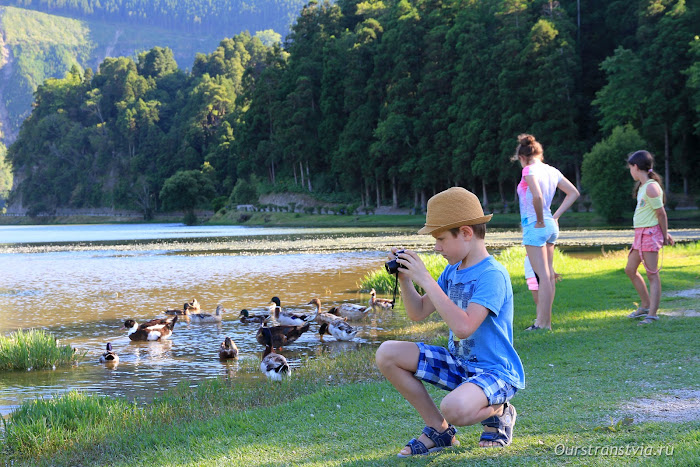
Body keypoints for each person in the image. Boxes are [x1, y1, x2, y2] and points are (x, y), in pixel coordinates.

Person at [375, 187, 525, 456]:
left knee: (454, 408)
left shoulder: (492, 275)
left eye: (441, 239)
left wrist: (427, 279)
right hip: (459, 364)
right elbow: (417, 312)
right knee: (387, 353)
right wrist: (407, 279)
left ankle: (501, 410)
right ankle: (439, 431)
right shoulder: (452, 271)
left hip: (495, 373)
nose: (437, 247)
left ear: (466, 233)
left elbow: (464, 327)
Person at [513, 134, 579, 330]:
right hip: (551, 225)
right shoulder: (552, 171)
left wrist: (541, 219)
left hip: (536, 225)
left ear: (522, 157)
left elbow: (537, 196)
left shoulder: (528, 170)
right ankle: (545, 322)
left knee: (542, 276)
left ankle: (542, 324)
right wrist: (554, 216)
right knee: (548, 276)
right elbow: (573, 193)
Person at [624, 150, 674, 325]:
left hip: (649, 234)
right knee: (630, 269)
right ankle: (645, 306)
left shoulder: (651, 187)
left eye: (630, 167)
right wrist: (665, 232)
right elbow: (654, 214)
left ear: (636, 167)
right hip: (640, 234)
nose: (630, 171)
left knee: (652, 274)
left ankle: (652, 314)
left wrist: (663, 234)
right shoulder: (643, 187)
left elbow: (661, 214)